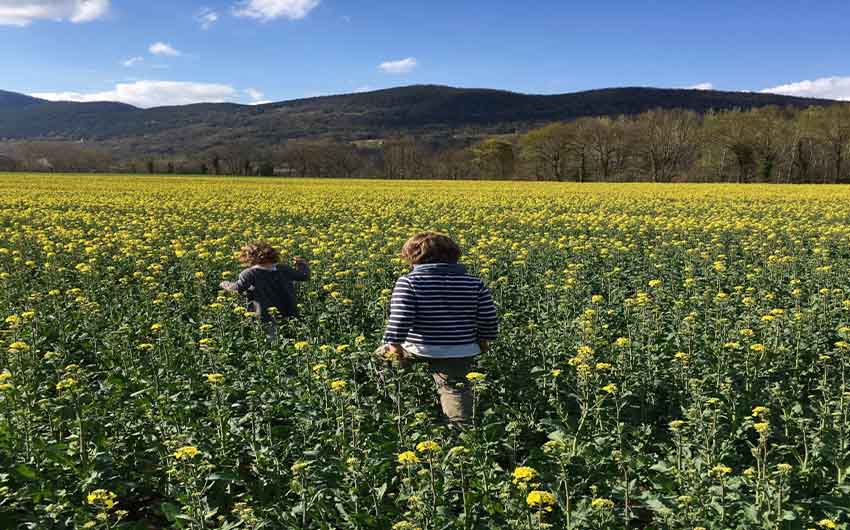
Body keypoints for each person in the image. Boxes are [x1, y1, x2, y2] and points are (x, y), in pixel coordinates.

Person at [376, 232, 499, 423]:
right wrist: (483, 340)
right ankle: (460, 428)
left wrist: (394, 344)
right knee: (454, 389)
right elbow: (488, 317)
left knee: (381, 357)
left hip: (420, 348)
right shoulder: (474, 283)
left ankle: (397, 399)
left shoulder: (409, 282)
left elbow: (400, 318)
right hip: (460, 348)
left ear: (413, 257)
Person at [219, 241, 310, 337]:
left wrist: (225, 284)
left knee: (271, 340)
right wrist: (301, 264)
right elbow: (304, 276)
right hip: (289, 311)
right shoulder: (283, 268)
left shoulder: (250, 273)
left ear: (249, 257)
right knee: (291, 336)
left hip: (265, 315)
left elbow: (237, 289)